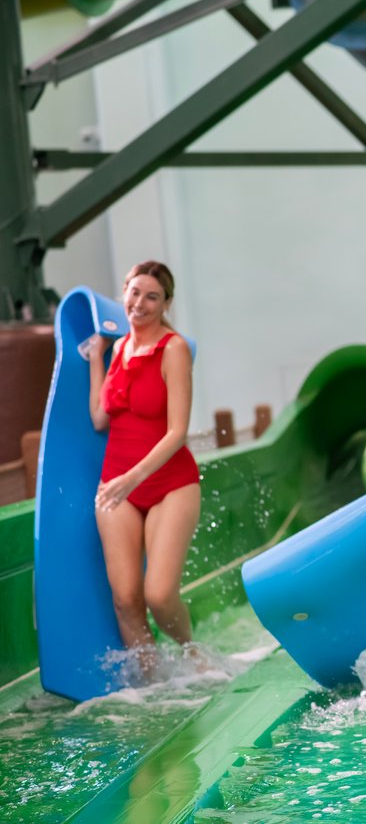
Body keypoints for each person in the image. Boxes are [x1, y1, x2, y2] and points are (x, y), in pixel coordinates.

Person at [87, 260, 202, 679]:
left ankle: (192, 654)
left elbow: (178, 432)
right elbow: (101, 417)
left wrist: (131, 478)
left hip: (169, 483)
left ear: (165, 302)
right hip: (117, 488)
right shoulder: (119, 349)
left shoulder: (173, 349)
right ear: (124, 293)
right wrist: (98, 357)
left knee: (158, 593)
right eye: (134, 293)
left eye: (151, 296)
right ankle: (156, 686)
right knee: (126, 599)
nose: (139, 303)